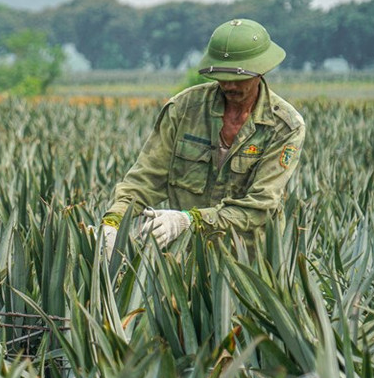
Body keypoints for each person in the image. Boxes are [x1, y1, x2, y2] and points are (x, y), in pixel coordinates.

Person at [100, 18, 305, 254]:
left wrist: (189, 220)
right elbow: (146, 178)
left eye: (238, 77)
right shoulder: (185, 108)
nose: (229, 85)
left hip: (249, 263)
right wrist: (114, 221)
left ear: (261, 71)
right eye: (221, 76)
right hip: (184, 259)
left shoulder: (284, 126)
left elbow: (260, 205)